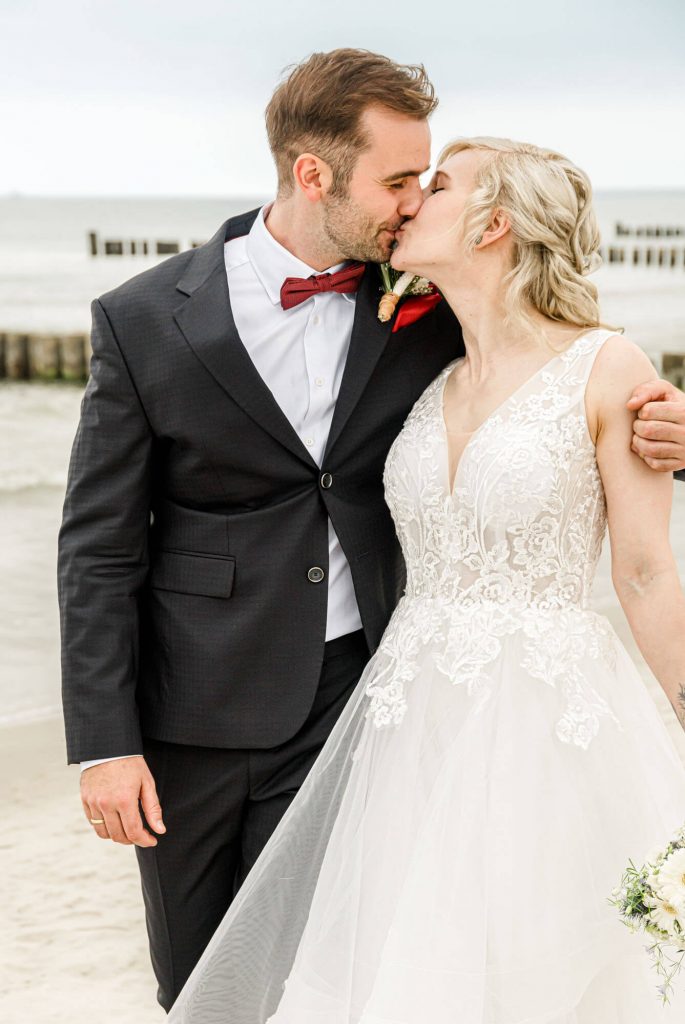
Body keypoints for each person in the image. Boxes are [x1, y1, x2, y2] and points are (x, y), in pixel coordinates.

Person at [57, 48, 685, 1015]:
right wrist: (104, 742)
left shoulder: (427, 318)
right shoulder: (145, 320)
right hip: (202, 708)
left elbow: (573, 394)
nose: (408, 202)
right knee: (202, 986)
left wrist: (667, 428)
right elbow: (99, 546)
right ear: (315, 174)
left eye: (426, 183)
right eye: (398, 181)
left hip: (366, 708)